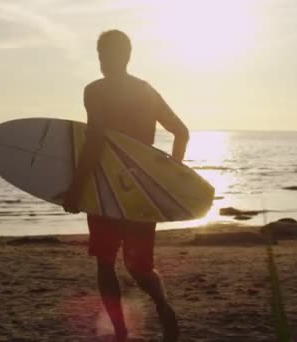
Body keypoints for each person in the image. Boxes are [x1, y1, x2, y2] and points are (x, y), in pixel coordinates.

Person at [62, 30, 189, 342]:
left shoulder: (95, 91)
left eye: (107, 56)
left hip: (105, 189)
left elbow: (94, 141)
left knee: (107, 263)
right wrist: (170, 172)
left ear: (119, 57)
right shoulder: (146, 91)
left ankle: (121, 331)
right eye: (102, 57)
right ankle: (160, 306)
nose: (105, 63)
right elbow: (181, 133)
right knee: (137, 267)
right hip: (142, 191)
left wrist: (76, 188)